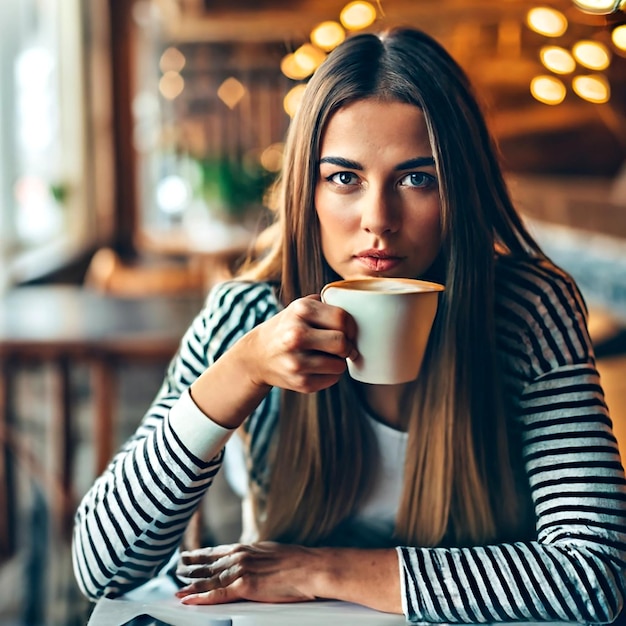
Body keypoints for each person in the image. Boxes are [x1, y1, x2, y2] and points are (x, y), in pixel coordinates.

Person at [72, 26, 626, 623]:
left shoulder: (527, 312)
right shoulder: (247, 317)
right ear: (307, 190)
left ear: (459, 188)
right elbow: (101, 568)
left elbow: (595, 576)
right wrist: (237, 372)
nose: (378, 220)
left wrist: (318, 570)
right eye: (344, 177)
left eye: (418, 178)